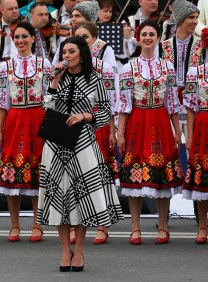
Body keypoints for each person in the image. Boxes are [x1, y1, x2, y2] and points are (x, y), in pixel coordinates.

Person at [38, 36, 122, 271]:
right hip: (56, 144)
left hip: (83, 142)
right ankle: (65, 250)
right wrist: (53, 83)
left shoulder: (95, 79)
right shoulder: (56, 76)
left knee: (80, 198)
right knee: (58, 198)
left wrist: (85, 116)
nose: (66, 55)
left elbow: (106, 112)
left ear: (82, 54)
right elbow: (47, 108)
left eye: (71, 51)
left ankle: (80, 251)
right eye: (64, 51)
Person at [117, 21, 182, 245]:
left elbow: (172, 101)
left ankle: (163, 226)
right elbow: (124, 105)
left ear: (157, 38)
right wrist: (120, 133)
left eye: (151, 34)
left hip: (161, 122)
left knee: (163, 177)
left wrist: (177, 130)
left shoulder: (168, 67)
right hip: (138, 123)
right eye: (143, 34)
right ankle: (135, 228)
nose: (147, 37)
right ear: (137, 37)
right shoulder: (128, 68)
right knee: (135, 178)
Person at [0, 22, 52, 242]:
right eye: (16, 37)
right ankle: (15, 224)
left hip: (38, 118)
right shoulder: (5, 67)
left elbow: (50, 98)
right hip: (15, 119)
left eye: (24, 36)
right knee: (13, 171)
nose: (20, 41)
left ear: (32, 38)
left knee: (37, 170)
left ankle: (37, 223)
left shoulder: (43, 64)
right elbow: (2, 101)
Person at [75, 22, 119, 244]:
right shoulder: (69, 67)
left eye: (86, 37)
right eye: (78, 37)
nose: (82, 41)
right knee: (75, 173)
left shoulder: (104, 68)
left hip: (97, 123)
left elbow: (110, 102)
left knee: (98, 173)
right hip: (74, 124)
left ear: (94, 40)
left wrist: (112, 129)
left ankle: (102, 225)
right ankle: (76, 222)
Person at [182, 27, 208, 244]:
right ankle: (202, 226)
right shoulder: (195, 73)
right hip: (204, 125)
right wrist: (191, 136)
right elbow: (190, 108)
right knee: (204, 176)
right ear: (206, 46)